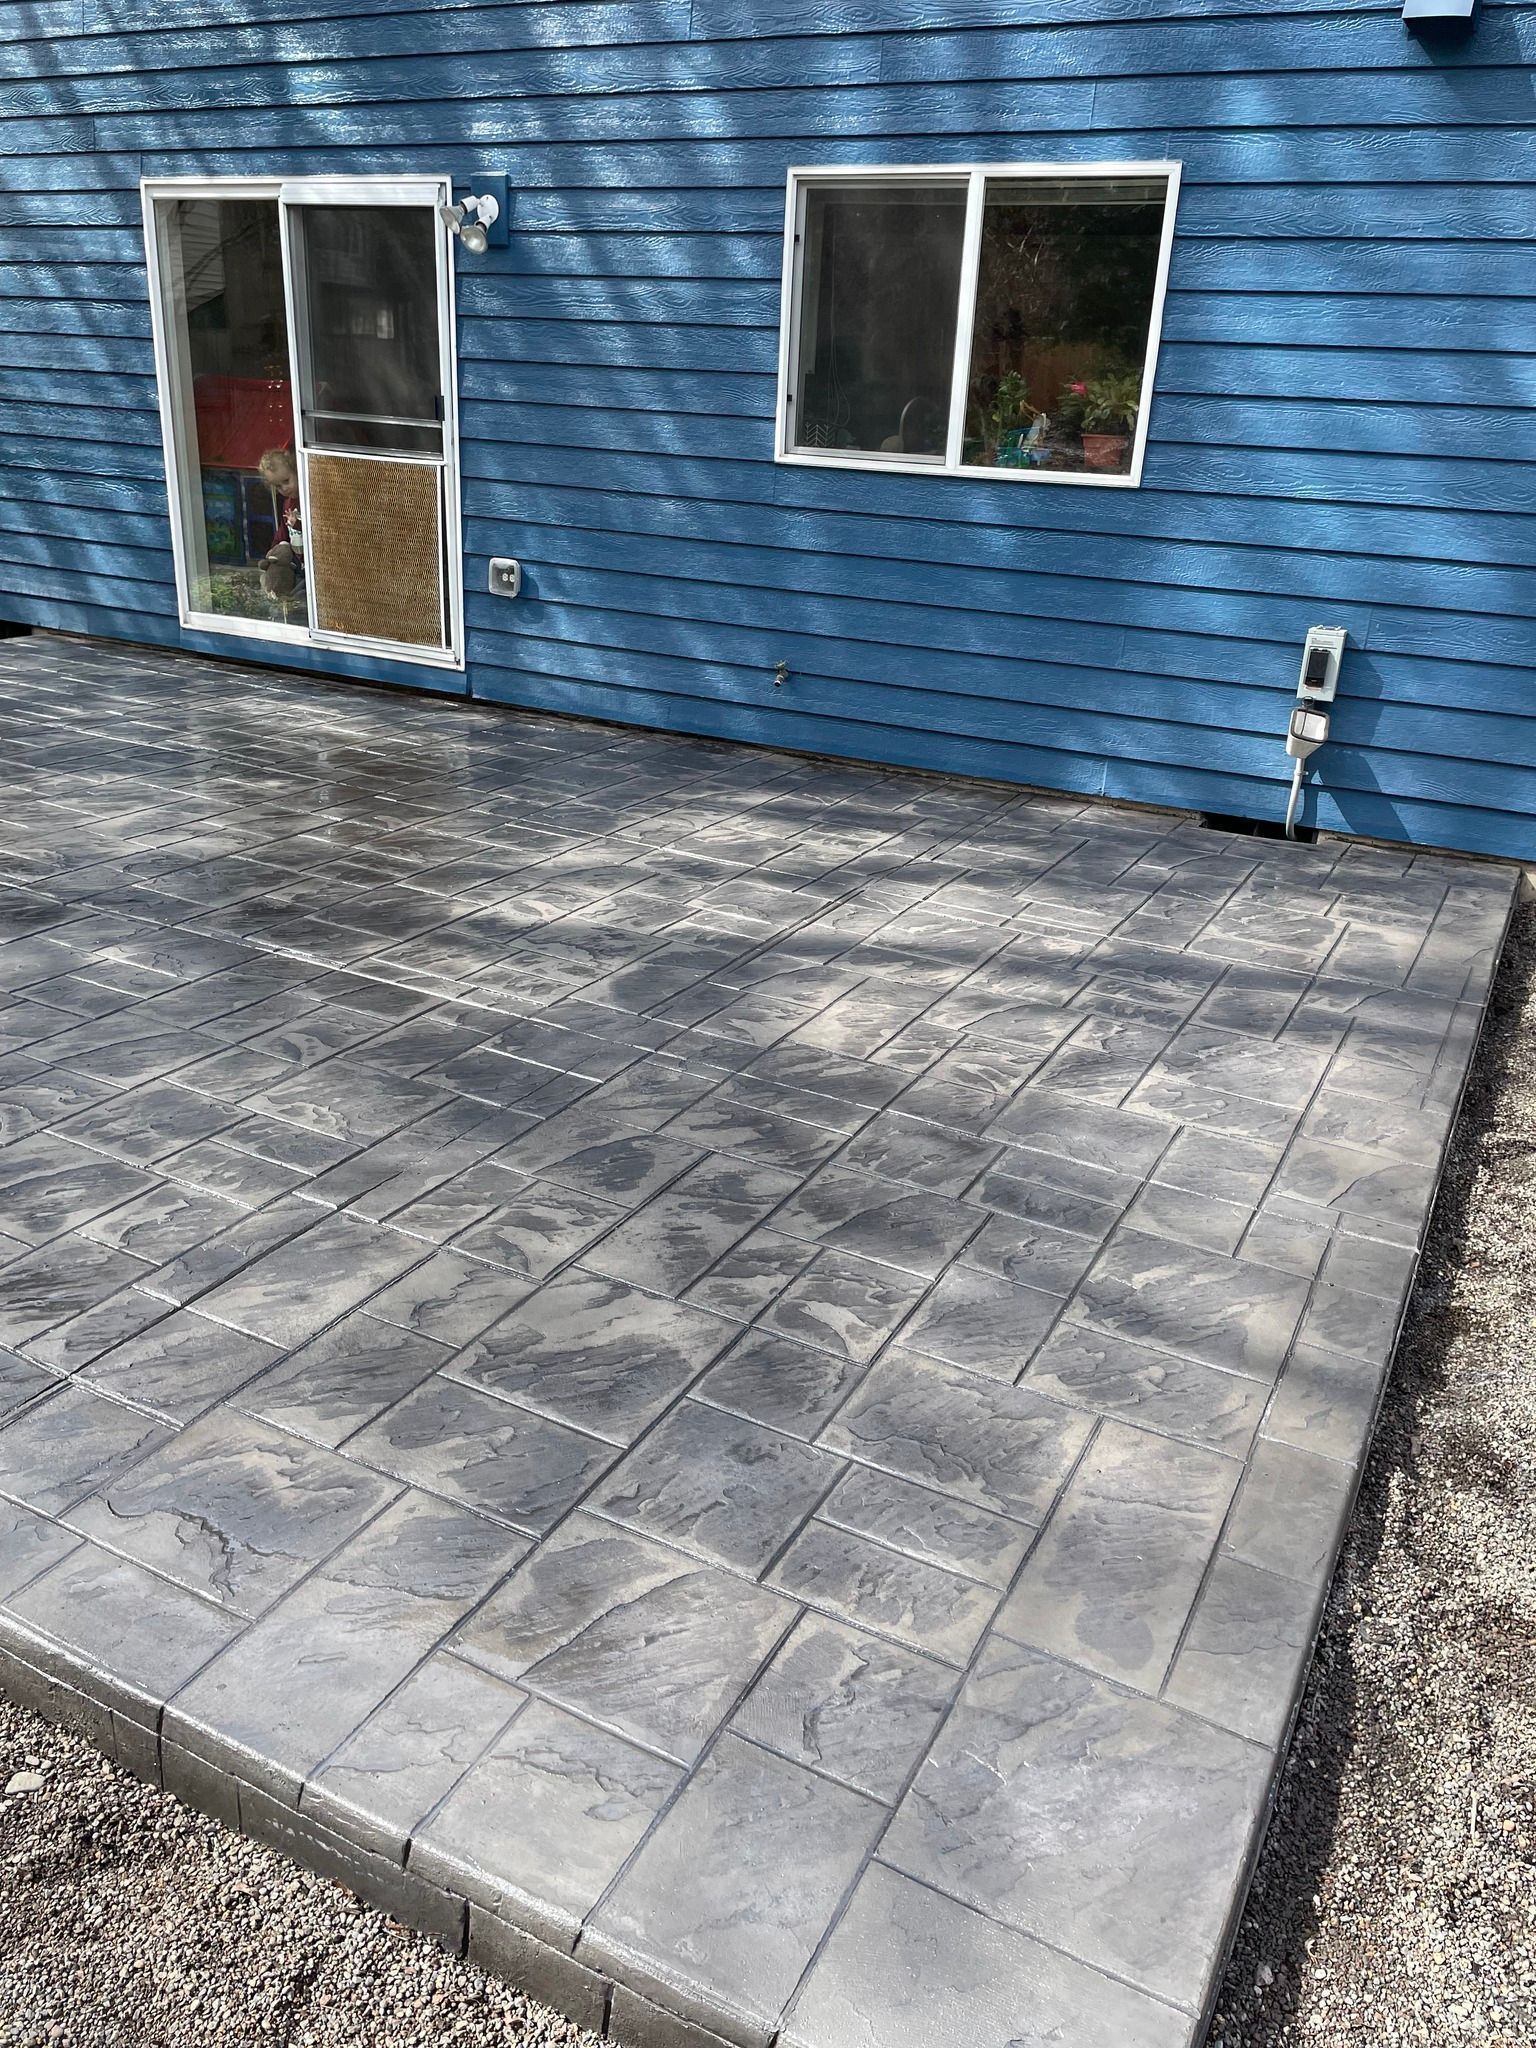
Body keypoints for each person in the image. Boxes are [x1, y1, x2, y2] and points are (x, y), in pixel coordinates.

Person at [257, 447, 304, 600]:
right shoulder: (287, 503)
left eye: (286, 481)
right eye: (278, 486)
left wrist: (298, 525)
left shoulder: (308, 500)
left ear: (296, 472)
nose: (284, 489)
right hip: (296, 562)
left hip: (313, 564)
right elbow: (283, 532)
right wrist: (275, 549)